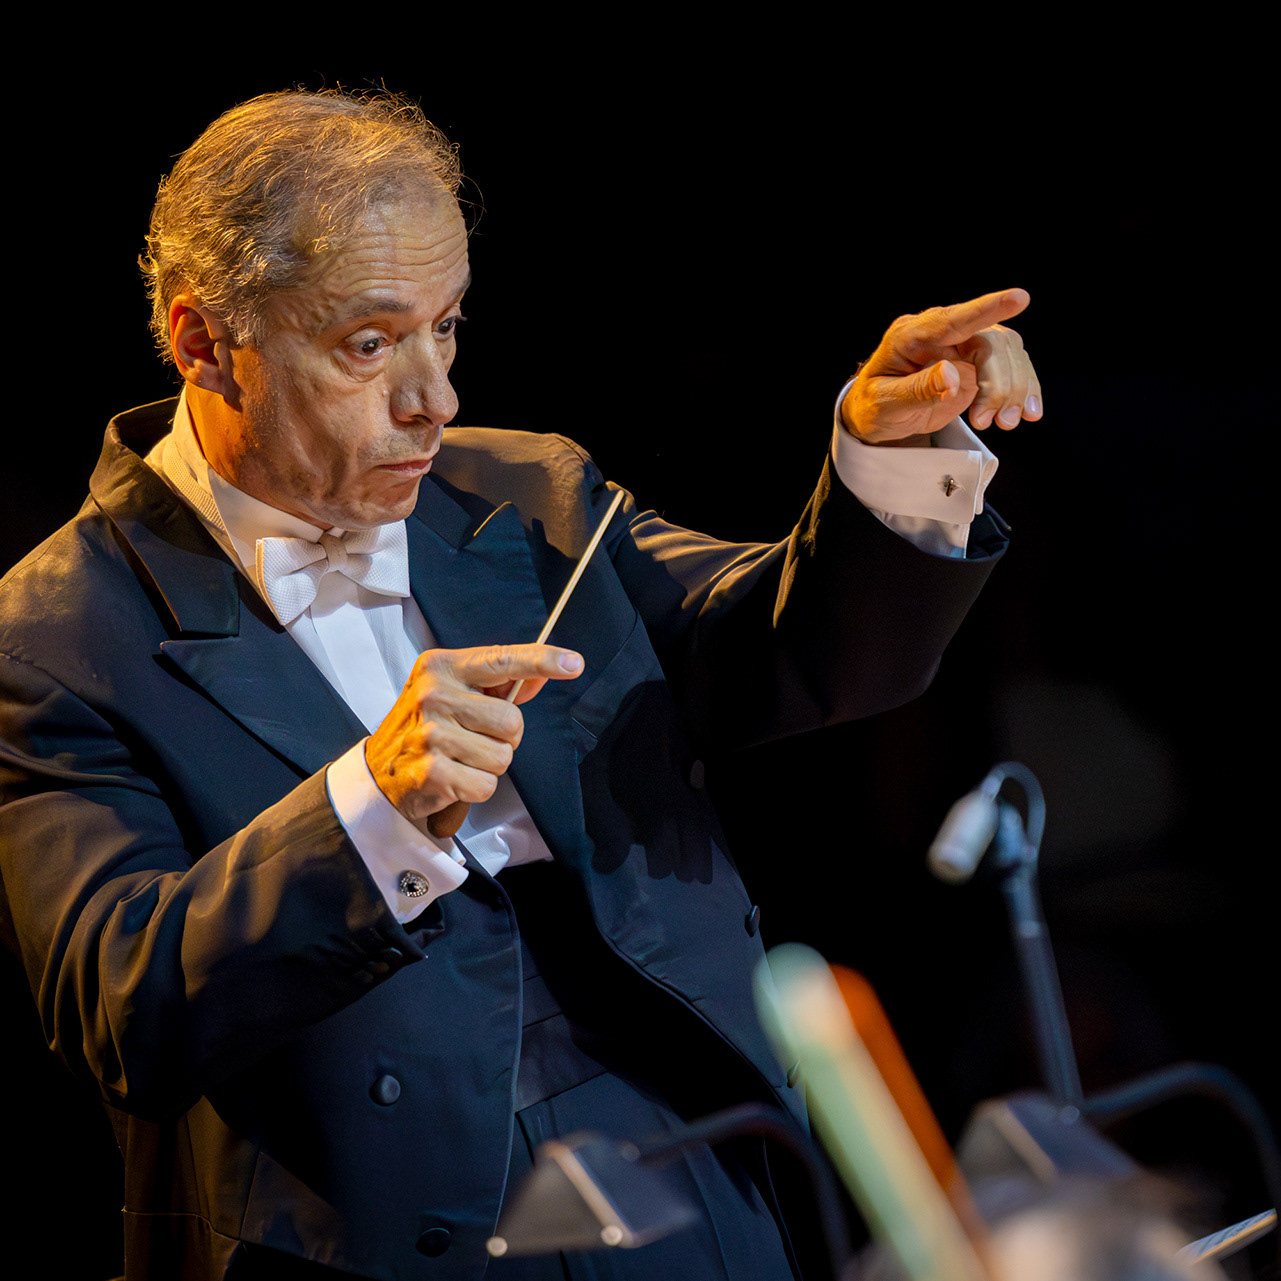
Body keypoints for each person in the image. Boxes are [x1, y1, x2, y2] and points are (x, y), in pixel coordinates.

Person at [0, 90, 1039, 1280]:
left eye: (446, 328)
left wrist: (895, 458)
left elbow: (786, 657)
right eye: (369, 345)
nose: (434, 400)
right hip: (375, 1234)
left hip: (685, 1161)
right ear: (203, 343)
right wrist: (370, 807)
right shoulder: (56, 636)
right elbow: (123, 1007)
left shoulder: (528, 491)